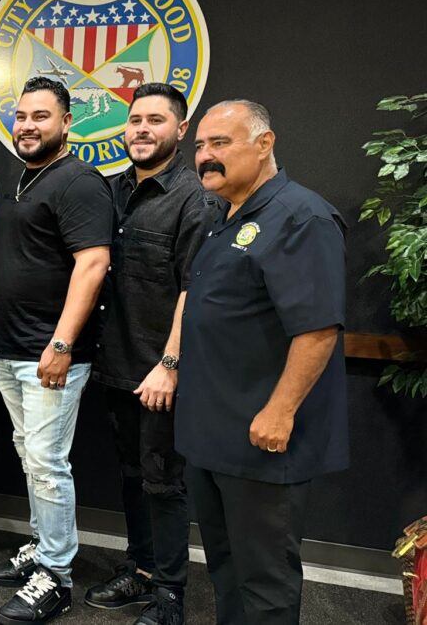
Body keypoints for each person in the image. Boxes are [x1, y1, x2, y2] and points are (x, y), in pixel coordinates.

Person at [178, 100, 348, 624]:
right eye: (201, 145)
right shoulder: (221, 215)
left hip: (261, 439)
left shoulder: (301, 216)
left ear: (265, 144)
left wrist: (280, 410)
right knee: (226, 568)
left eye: (220, 144)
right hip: (213, 436)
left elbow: (317, 329)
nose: (205, 156)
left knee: (265, 583)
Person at [0, 76, 112, 625]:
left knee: (47, 465)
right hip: (11, 349)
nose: (28, 126)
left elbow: (93, 264)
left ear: (67, 122)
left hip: (50, 354)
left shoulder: (79, 182)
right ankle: (42, 551)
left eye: (41, 116)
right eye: (21, 116)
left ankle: (56, 577)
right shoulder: (26, 179)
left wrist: (61, 343)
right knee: (30, 457)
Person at [84, 83, 211, 625]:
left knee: (163, 483)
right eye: (135, 119)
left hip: (160, 371)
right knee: (133, 475)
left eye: (155, 120)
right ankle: (138, 570)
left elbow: (194, 289)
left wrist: (171, 364)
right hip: (115, 364)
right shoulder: (110, 191)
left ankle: (170, 595)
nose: (141, 129)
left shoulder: (194, 198)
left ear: (180, 130)